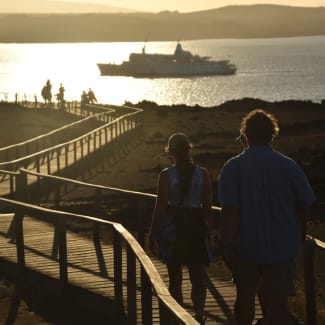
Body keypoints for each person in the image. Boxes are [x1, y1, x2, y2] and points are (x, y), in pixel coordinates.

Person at [218, 109, 315, 325]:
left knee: (245, 298)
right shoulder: (288, 165)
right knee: (278, 304)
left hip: (246, 246)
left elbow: (230, 210)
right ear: (273, 134)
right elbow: (305, 204)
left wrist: (226, 245)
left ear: (245, 135)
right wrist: (299, 235)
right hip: (282, 246)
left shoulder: (233, 167)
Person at [149, 133, 213, 324]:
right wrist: (208, 232)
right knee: (198, 276)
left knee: (175, 278)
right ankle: (199, 314)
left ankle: (176, 318)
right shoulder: (203, 174)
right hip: (195, 228)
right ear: (189, 149)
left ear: (171, 152)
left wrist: (152, 232)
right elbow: (208, 207)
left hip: (174, 229)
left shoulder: (166, 175)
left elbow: (160, 207)